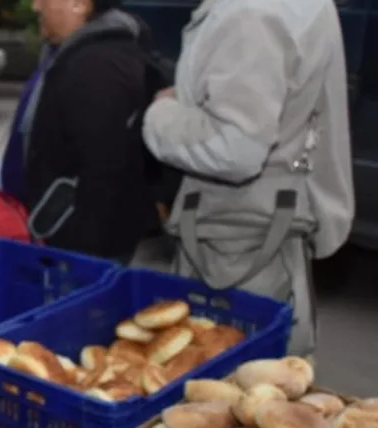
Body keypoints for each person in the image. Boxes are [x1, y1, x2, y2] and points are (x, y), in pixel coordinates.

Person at [142, 0, 354, 355]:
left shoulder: (249, 12)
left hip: (236, 238)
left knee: (224, 383)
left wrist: (162, 114)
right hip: (268, 223)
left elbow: (235, 147)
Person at [19, 0, 157, 263]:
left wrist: (80, 258)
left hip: (81, 249)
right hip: (63, 233)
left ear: (79, 5)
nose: (36, 6)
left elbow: (104, 172)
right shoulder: (72, 53)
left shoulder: (98, 67)